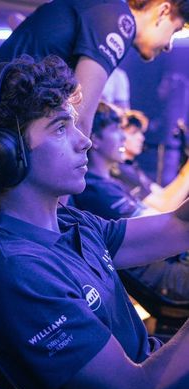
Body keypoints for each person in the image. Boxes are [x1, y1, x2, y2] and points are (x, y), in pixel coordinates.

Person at [0, 55, 189, 389]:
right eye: (61, 128)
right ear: (5, 154)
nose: (85, 141)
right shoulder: (18, 273)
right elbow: (139, 388)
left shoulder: (69, 223)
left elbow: (179, 228)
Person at [0, 0, 189, 137]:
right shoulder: (120, 21)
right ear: (163, 11)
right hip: (2, 130)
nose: (169, 45)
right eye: (176, 30)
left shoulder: (104, 9)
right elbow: (79, 120)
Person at [72, 102, 189, 300]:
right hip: (163, 275)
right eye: (117, 129)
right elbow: (162, 222)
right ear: (95, 139)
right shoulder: (95, 189)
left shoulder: (114, 183)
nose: (123, 136)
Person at [112, 109, 189, 212]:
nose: (141, 138)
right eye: (134, 133)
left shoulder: (131, 167)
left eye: (141, 133)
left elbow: (164, 195)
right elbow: (164, 207)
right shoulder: (122, 171)